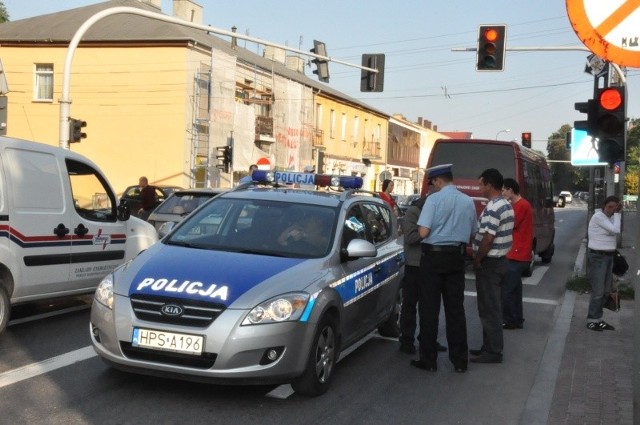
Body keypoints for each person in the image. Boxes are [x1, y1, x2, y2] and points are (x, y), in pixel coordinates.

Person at [412, 164, 477, 373]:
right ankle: (459, 361)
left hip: (433, 258)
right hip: (456, 258)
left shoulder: (433, 200)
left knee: (429, 310)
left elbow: (423, 232)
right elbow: (474, 232)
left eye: (433, 183)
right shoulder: (468, 202)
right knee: (455, 310)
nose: (432, 187)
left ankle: (428, 360)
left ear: (438, 181)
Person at [471, 168, 514, 364]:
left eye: (481, 184)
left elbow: (488, 238)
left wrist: (478, 258)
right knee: (491, 307)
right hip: (500, 261)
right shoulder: (506, 204)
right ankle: (488, 347)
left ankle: (494, 351)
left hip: (491, 262)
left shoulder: (494, 208)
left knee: (490, 309)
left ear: (489, 185)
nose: (479, 188)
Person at [398, 195, 446, 355]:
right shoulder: (413, 212)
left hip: (431, 265)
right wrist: (429, 231)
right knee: (410, 304)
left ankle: (428, 339)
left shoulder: (436, 211)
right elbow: (411, 237)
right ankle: (406, 340)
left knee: (431, 306)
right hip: (415, 264)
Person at [501, 178, 533, 330]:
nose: (502, 193)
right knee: (514, 290)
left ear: (511, 190)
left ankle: (509, 320)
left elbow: (510, 224)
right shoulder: (521, 205)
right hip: (518, 253)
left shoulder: (521, 205)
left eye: (503, 190)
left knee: (507, 290)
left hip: (516, 254)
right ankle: (517, 318)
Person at [586, 196, 621, 331]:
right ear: (604, 206)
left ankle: (598, 319)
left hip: (608, 257)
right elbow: (615, 230)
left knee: (606, 291)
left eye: (614, 207)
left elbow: (616, 229)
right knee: (598, 291)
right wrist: (617, 214)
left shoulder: (611, 218)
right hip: (598, 258)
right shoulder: (598, 217)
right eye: (609, 207)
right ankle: (591, 320)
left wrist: (616, 215)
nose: (611, 210)